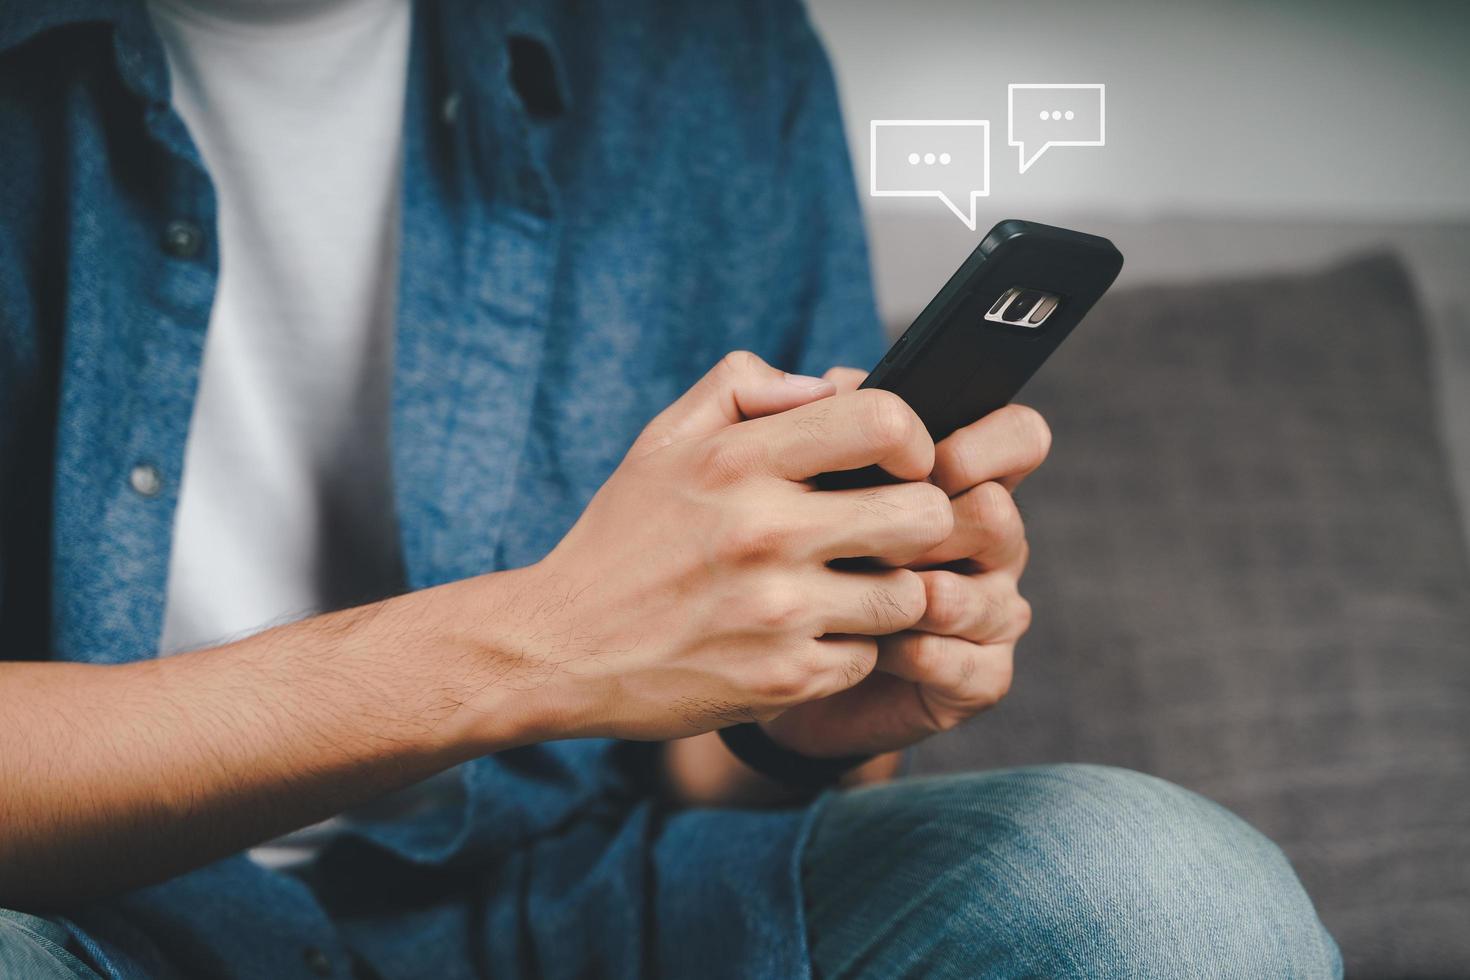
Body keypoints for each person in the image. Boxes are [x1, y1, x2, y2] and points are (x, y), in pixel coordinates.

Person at [0, 0, 1341, 976]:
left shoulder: (715, 57)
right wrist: (543, 639)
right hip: (92, 919)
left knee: (1166, 893)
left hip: (580, 894)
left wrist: (793, 722)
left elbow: (709, 769)